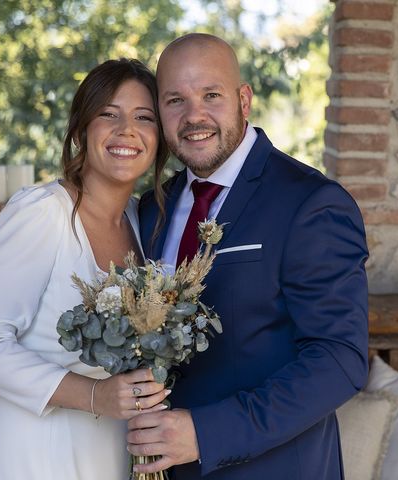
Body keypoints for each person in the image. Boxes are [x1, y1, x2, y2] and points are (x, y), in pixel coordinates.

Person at [129, 33, 369, 479]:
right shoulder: (151, 209)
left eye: (211, 95)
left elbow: (339, 359)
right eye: (175, 100)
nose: (193, 116)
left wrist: (205, 433)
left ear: (244, 99)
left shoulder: (310, 203)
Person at [0, 58, 172, 479]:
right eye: (108, 114)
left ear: (158, 138)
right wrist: (95, 395)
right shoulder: (40, 213)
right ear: (80, 129)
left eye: (143, 117)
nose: (126, 129)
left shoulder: (142, 222)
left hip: (107, 448)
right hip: (32, 448)